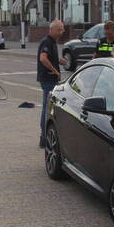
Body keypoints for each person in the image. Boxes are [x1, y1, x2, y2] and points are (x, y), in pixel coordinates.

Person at [37, 19, 67, 148]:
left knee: (48, 107)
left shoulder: (52, 42)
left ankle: (45, 137)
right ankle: (44, 137)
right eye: (59, 30)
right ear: (52, 30)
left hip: (50, 78)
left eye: (62, 29)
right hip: (48, 79)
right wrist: (54, 70)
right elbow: (43, 58)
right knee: (47, 108)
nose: (62, 32)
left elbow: (49, 57)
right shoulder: (47, 42)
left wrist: (59, 61)